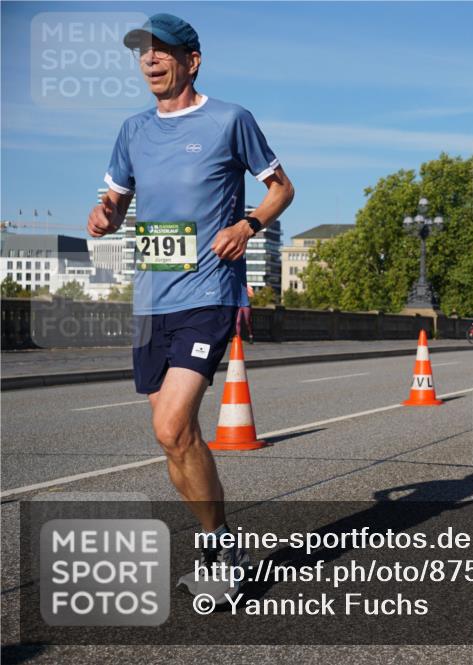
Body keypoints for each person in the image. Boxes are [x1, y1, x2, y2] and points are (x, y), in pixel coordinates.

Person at [86, 14, 294, 601]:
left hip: (208, 293)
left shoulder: (231, 119)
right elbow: (115, 201)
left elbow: (281, 187)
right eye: (142, 53)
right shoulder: (132, 130)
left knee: (170, 423)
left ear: (192, 60)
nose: (150, 61)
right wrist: (104, 216)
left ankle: (223, 553)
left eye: (163, 52)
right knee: (176, 439)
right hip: (151, 299)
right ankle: (221, 542)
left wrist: (249, 224)